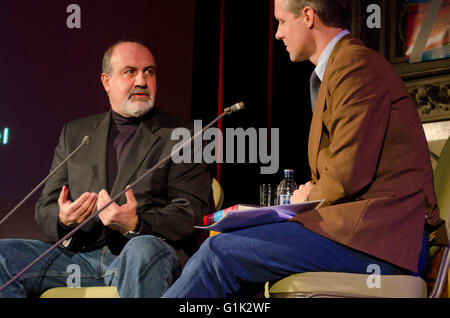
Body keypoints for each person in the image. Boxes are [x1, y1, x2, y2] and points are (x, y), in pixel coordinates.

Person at [162, 0, 447, 297]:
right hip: (359, 235)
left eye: (282, 21)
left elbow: (348, 172)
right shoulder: (339, 67)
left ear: (308, 16)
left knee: (220, 252)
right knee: (232, 251)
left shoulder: (356, 65)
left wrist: (308, 197)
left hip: (380, 243)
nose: (277, 34)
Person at [0, 40, 212, 298]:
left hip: (140, 256)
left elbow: (193, 211)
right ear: (106, 81)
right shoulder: (75, 133)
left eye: (149, 71)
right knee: (3, 255)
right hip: (77, 259)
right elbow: (46, 206)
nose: (142, 81)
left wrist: (136, 223)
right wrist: (63, 218)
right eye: (130, 71)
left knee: (143, 249)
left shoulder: (183, 135)